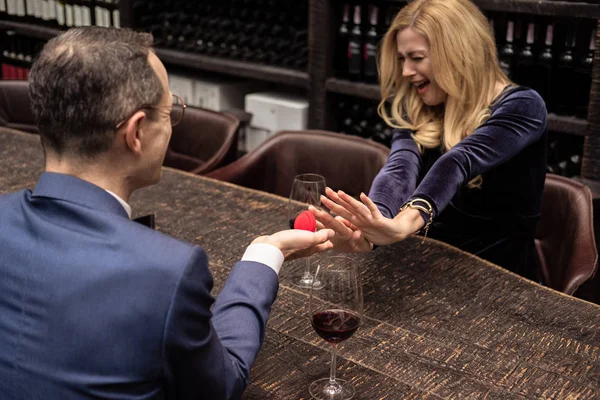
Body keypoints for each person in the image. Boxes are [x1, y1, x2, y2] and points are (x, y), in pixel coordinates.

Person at [0, 27, 334, 400]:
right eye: (168, 111)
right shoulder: (166, 271)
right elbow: (221, 384)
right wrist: (268, 252)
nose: (172, 124)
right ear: (136, 132)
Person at [312, 0, 547, 280]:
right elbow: (400, 169)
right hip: (427, 270)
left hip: (500, 283)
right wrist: (373, 227)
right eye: (402, 59)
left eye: (417, 58)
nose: (406, 72)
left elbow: (460, 160)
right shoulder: (416, 104)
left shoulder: (524, 106)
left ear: (458, 53)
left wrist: (403, 223)